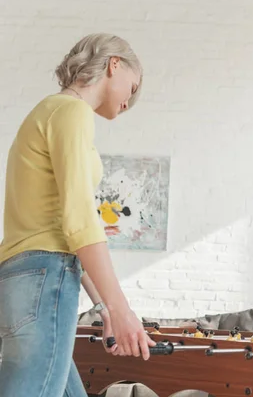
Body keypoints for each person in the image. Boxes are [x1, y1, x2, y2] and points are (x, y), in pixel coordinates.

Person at [0, 33, 156, 396]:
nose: (129, 103)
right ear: (114, 64)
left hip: (20, 277)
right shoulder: (72, 112)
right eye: (131, 88)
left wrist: (102, 307)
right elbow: (79, 221)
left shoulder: (47, 112)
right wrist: (122, 310)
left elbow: (58, 225)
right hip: (46, 277)